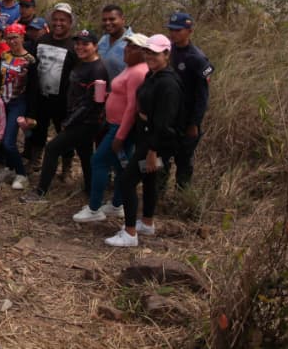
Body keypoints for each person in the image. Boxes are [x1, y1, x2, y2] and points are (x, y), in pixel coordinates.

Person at [105, 34, 182, 247]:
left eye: (155, 53)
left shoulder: (168, 84)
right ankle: (146, 222)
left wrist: (153, 151)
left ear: (166, 54)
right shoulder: (153, 75)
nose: (150, 56)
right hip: (147, 139)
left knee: (127, 181)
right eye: (147, 52)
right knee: (149, 180)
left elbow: (165, 123)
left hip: (156, 145)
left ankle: (129, 233)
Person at [23, 29, 108, 202]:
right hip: (77, 119)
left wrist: (70, 121)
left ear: (95, 46)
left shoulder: (98, 70)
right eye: (78, 43)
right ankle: (92, 191)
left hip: (86, 122)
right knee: (85, 154)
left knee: (53, 148)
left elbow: (96, 102)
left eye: (86, 44)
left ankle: (40, 192)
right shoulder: (81, 63)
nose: (80, 47)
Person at [73, 33, 149, 223]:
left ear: (143, 52)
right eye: (127, 45)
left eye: (133, 47)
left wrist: (120, 135)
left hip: (121, 127)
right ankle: (117, 204)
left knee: (98, 161)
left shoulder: (139, 72)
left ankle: (94, 208)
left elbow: (132, 106)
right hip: (115, 123)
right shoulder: (131, 68)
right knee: (119, 165)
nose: (127, 49)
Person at [164, 11, 213, 189]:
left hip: (187, 118)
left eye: (178, 30)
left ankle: (181, 196)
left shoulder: (197, 58)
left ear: (189, 31)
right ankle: (158, 193)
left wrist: (194, 123)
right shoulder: (168, 50)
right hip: (169, 115)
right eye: (171, 30)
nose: (174, 34)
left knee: (184, 161)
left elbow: (202, 95)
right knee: (163, 157)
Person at [27, 2, 78, 172]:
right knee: (38, 130)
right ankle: (35, 161)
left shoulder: (74, 45)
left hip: (63, 100)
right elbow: (33, 67)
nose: (58, 23)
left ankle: (66, 168)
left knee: (65, 134)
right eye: (55, 19)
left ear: (70, 22)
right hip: (41, 96)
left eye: (62, 20)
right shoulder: (41, 41)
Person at [0, 23, 36, 190]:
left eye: (15, 37)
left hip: (18, 102)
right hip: (2, 100)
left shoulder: (30, 60)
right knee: (1, 137)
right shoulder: (4, 55)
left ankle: (21, 174)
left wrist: (31, 113)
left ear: (22, 37)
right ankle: (9, 168)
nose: (12, 41)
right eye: (9, 37)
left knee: (9, 142)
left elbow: (34, 87)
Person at [97, 4, 133, 79]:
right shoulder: (103, 39)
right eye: (104, 20)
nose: (107, 23)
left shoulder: (133, 43)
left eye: (112, 19)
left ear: (123, 19)